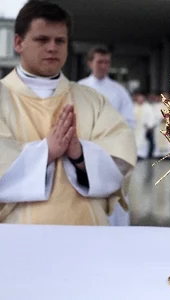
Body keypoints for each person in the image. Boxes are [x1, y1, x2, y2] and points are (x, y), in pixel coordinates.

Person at [0, 1, 136, 225]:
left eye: (60, 41)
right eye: (42, 39)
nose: (52, 48)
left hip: (88, 232)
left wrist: (81, 154)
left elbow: (120, 163)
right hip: (19, 238)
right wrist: (46, 152)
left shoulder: (92, 100)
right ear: (18, 43)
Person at [78, 46, 135, 129]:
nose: (104, 66)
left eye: (107, 62)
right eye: (100, 62)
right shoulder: (79, 88)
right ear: (90, 64)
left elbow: (129, 120)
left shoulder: (119, 91)